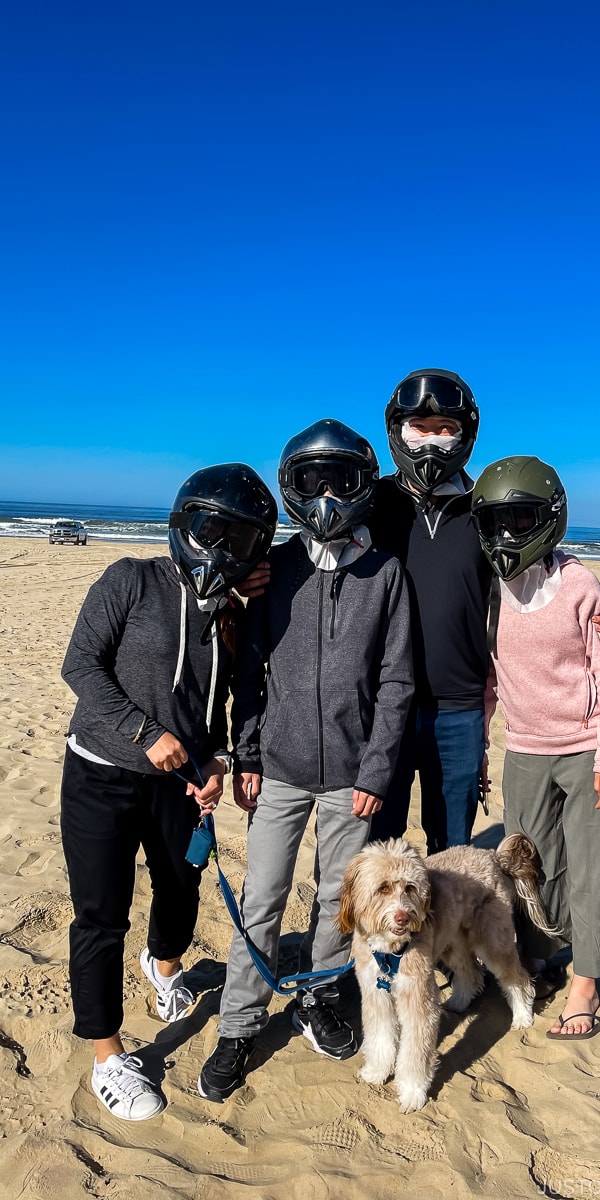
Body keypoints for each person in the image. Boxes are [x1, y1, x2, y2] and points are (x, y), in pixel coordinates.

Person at [198, 419, 413, 1103]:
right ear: (293, 488)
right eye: (309, 481)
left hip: (353, 774)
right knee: (261, 898)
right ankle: (237, 1026)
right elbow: (251, 670)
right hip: (280, 768)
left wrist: (378, 772)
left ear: (361, 486)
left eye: (338, 480)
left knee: (334, 900)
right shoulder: (276, 571)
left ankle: (319, 998)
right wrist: (251, 749)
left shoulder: (386, 575)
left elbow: (397, 682)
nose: (323, 495)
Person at [60, 464, 278, 1120]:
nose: (222, 549)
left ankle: (164, 969)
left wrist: (217, 759)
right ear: (186, 522)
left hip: (182, 785)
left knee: (180, 886)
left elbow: (233, 701)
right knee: (102, 917)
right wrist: (141, 732)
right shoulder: (131, 578)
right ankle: (106, 1055)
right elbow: (80, 665)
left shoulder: (234, 614)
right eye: (213, 529)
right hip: (100, 773)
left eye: (240, 541)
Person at [368, 368, 600, 856]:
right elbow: (321, 558)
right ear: (397, 428)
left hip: (461, 708)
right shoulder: (375, 504)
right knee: (382, 846)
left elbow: (540, 560)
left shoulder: (484, 507)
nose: (432, 441)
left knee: (452, 849)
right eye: (420, 427)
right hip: (383, 705)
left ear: (466, 435)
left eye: (446, 429)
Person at [472, 455, 600, 1039]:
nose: (508, 535)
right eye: (496, 522)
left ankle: (586, 982)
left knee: (594, 863)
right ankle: (537, 955)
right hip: (524, 749)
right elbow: (490, 681)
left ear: (550, 519)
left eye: (522, 520)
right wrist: (486, 748)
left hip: (587, 746)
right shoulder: (489, 591)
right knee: (529, 865)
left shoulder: (581, 584)